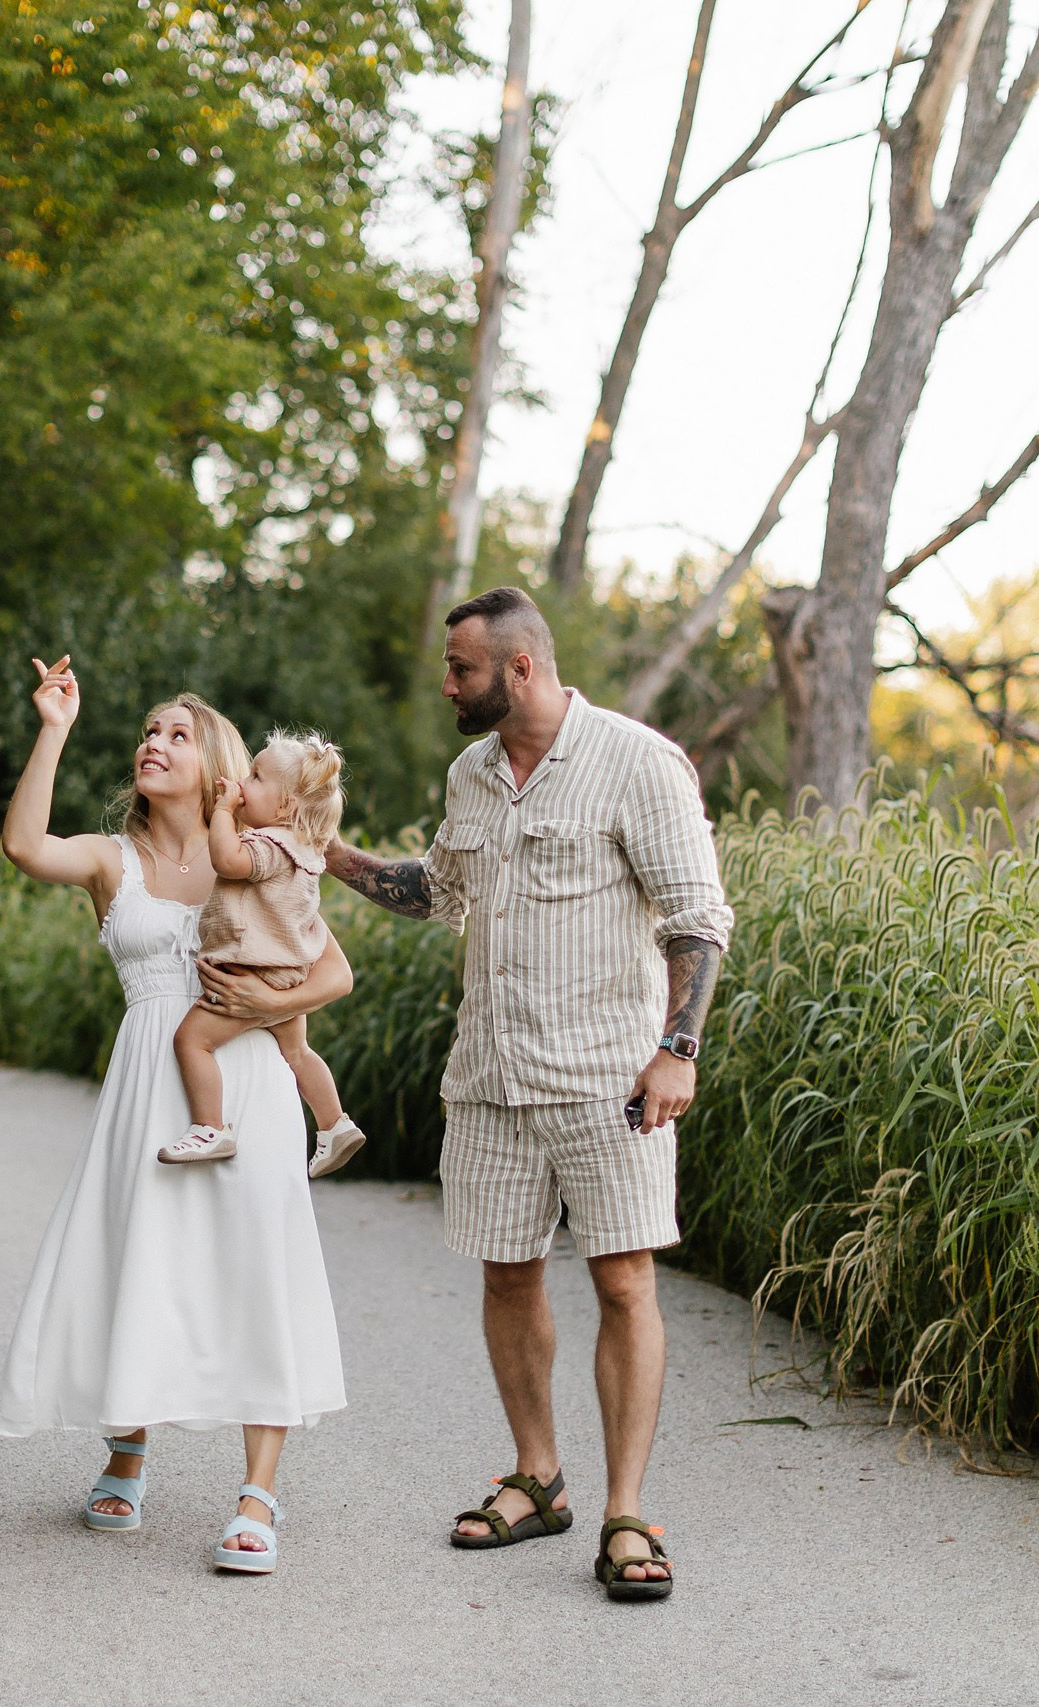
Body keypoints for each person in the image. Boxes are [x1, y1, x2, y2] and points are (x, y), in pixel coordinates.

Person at [326, 587, 732, 1602]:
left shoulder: (637, 761)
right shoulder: (470, 772)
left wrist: (676, 1048)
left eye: (460, 670)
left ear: (518, 669)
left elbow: (698, 918)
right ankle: (537, 1475)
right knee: (506, 1276)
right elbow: (443, 895)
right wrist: (328, 855)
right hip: (492, 1077)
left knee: (624, 1283)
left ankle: (626, 1512)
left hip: (609, 1080)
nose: (448, 687)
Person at [0, 657, 349, 1575]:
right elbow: (27, 846)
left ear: (218, 763)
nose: (153, 743)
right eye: (148, 732)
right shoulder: (116, 861)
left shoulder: (260, 864)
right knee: (136, 1258)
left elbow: (332, 975)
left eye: (176, 734)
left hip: (251, 1083)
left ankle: (258, 1495)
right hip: (149, 1079)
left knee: (253, 1266)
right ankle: (127, 1451)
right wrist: (55, 727)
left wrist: (265, 1013)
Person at [159, 731, 369, 1178]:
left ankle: (210, 1126)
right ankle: (334, 1124)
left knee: (191, 1041)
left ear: (285, 808)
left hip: (247, 972)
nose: (242, 781)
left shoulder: (268, 846)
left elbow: (227, 861)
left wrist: (222, 811)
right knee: (298, 1053)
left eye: (255, 776)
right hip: (287, 976)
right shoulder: (306, 855)